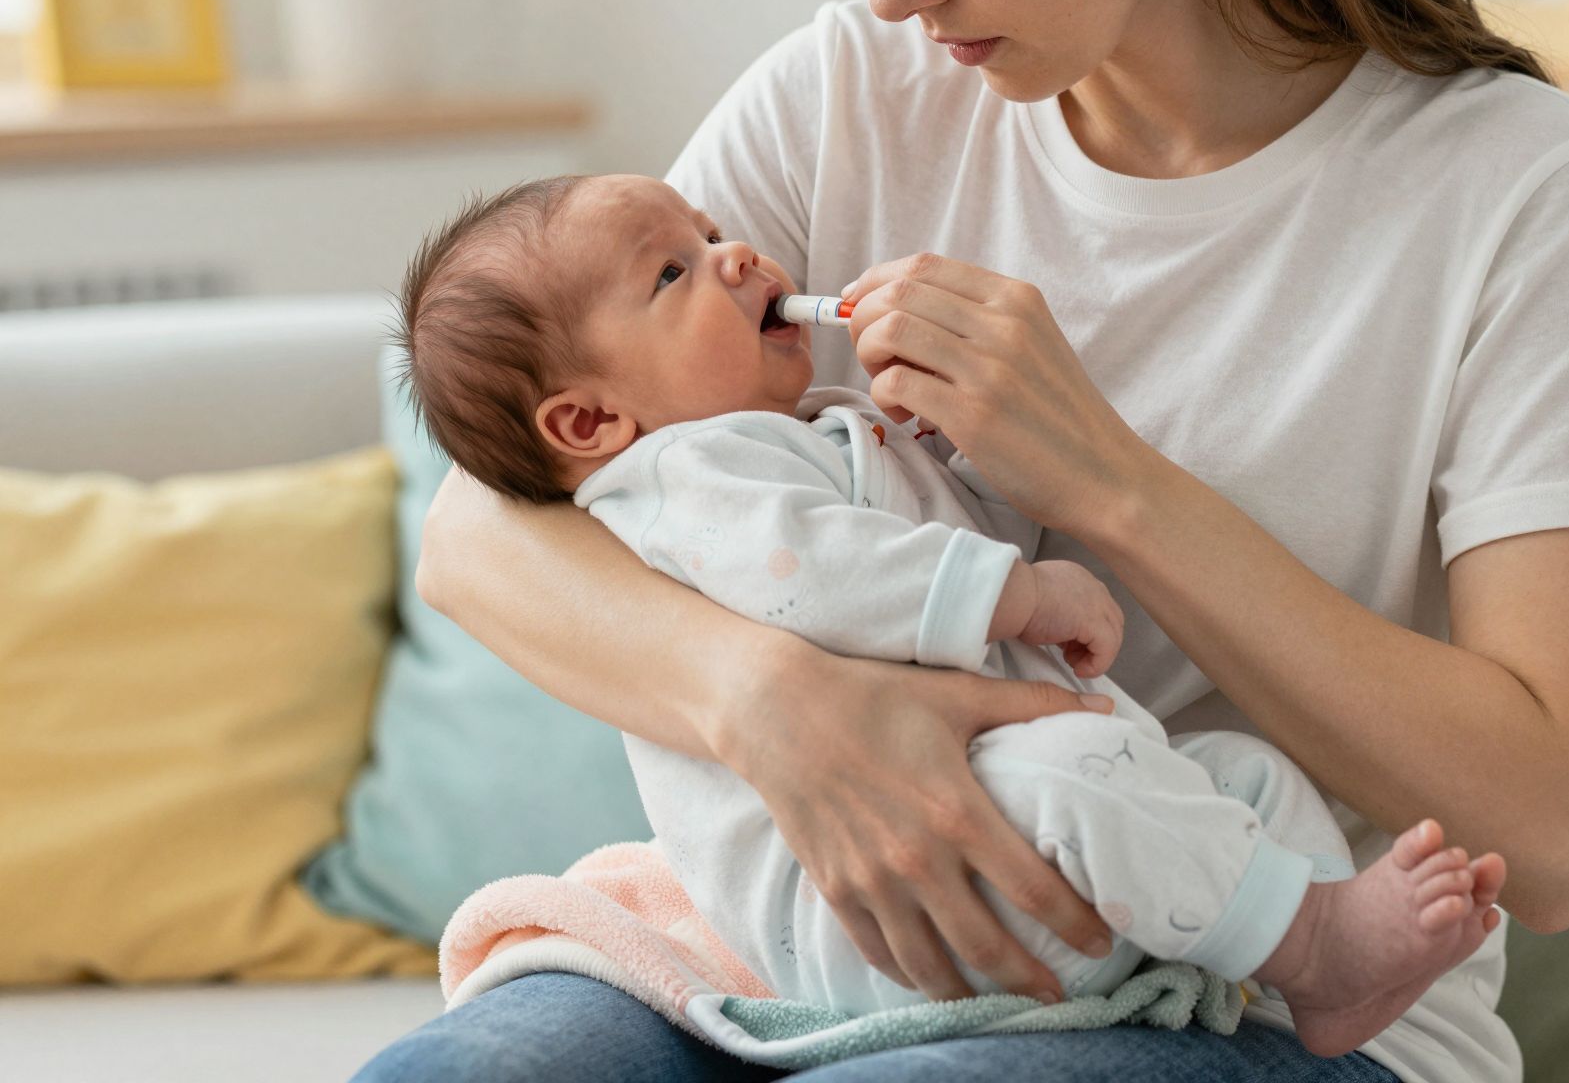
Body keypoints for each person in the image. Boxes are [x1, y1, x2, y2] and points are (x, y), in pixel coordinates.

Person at [355, 0, 1569, 1078]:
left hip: (1251, 992)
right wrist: (771, 703)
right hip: (802, 947)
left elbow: (1557, 824)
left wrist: (1107, 484)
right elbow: (484, 533)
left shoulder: (1512, 193)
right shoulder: (846, 99)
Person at [394, 169, 1506, 1056]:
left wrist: (963, 453)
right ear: (589, 423)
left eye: (713, 228)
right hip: (880, 909)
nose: (736, 255)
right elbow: (818, 572)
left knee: (1239, 778)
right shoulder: (686, 475)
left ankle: (1311, 950)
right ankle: (1307, 943)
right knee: (1083, 778)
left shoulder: (812, 432)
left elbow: (943, 549)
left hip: (1019, 840)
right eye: (674, 272)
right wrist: (1024, 591)